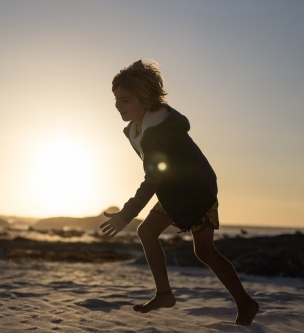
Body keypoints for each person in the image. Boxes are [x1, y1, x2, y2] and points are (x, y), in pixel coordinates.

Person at [100, 60, 259, 326]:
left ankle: (245, 302)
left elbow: (153, 177)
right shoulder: (137, 129)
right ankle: (165, 295)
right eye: (116, 99)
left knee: (204, 251)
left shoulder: (158, 131)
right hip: (174, 189)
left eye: (125, 100)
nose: (118, 106)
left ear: (144, 99)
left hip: (195, 190)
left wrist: (126, 214)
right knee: (149, 232)